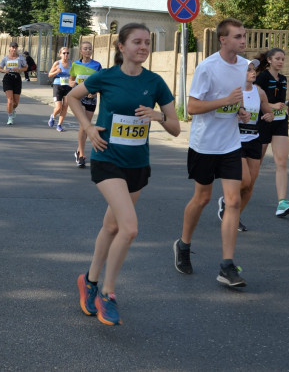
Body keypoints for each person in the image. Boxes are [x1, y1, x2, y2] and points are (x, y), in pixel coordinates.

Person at [67, 23, 180, 326]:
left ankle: (88, 281)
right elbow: (72, 98)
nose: (143, 47)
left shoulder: (155, 82)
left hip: (137, 164)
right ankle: (108, 292)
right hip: (107, 159)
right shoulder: (106, 76)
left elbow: (175, 126)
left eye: (147, 43)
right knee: (129, 228)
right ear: (121, 46)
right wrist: (88, 128)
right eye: (137, 42)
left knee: (112, 226)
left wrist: (159, 116)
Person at [174, 18, 250, 289]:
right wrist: (225, 101)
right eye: (238, 37)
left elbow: (237, 103)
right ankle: (183, 244)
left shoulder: (245, 67)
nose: (243, 41)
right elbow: (192, 108)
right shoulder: (207, 67)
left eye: (244, 36)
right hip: (204, 144)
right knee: (202, 198)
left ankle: (227, 265)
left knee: (233, 201)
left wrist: (240, 111)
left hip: (230, 144)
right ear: (223, 39)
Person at [218, 59, 272, 232]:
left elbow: (268, 111)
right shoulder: (234, 92)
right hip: (235, 140)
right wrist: (237, 115)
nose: (253, 72)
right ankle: (226, 202)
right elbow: (221, 113)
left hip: (253, 139)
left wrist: (270, 116)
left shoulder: (260, 92)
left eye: (253, 69)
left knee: (250, 186)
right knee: (244, 180)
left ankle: (234, 217)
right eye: (248, 70)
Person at [255, 48, 289, 217]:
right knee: (255, 163)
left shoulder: (284, 79)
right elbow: (253, 97)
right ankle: (234, 194)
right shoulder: (262, 77)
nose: (281, 61)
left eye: (283, 59)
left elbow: (281, 99)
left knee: (282, 162)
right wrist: (271, 107)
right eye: (278, 58)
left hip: (280, 123)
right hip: (264, 121)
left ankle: (282, 203)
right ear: (269, 60)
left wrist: (287, 106)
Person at [69, 40, 102, 168]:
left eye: (90, 49)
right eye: (86, 49)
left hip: (91, 98)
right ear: (81, 51)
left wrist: (95, 92)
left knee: (86, 126)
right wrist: (73, 85)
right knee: (83, 125)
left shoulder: (97, 65)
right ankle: (81, 155)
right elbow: (71, 79)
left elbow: (101, 82)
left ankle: (78, 150)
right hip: (79, 98)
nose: (88, 51)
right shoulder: (75, 65)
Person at [0, 42, 26, 125]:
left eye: (16, 47)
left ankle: (13, 110)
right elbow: (0, 68)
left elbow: (26, 67)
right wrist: (4, 70)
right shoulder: (5, 58)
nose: (14, 49)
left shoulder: (21, 58)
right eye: (13, 47)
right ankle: (10, 117)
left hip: (17, 78)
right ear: (9, 48)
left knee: (15, 102)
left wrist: (19, 69)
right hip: (8, 78)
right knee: (10, 100)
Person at [47, 46, 72, 132]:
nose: (66, 55)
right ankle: (53, 116)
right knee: (58, 107)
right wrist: (57, 72)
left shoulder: (71, 63)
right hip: (57, 85)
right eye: (64, 53)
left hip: (68, 86)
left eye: (67, 53)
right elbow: (49, 75)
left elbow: (74, 75)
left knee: (65, 106)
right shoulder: (57, 63)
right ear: (60, 54)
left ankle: (59, 125)